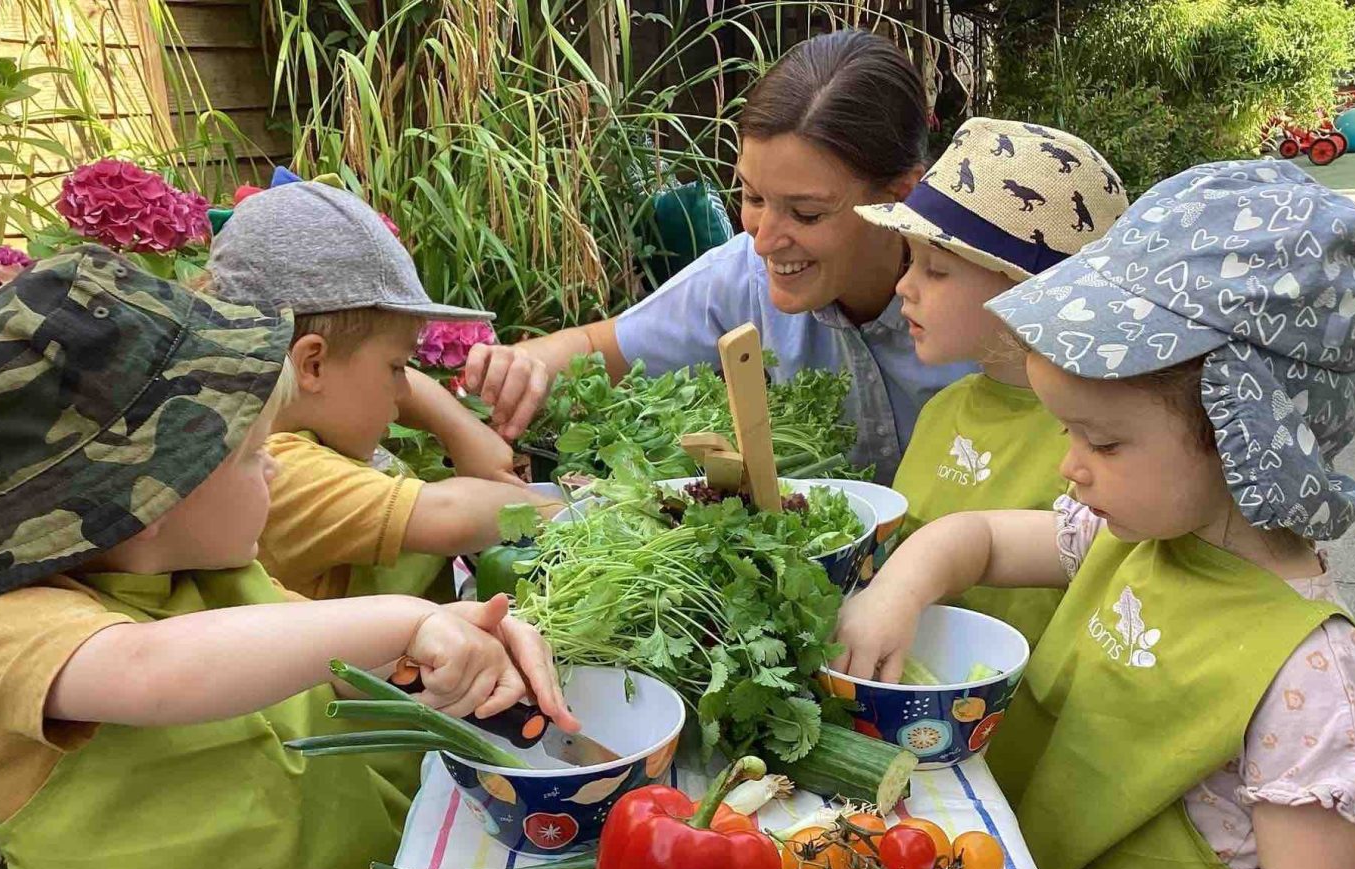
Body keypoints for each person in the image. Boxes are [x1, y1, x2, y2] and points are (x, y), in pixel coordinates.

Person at [0, 246, 575, 869]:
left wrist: (469, 645)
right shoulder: (6, 629)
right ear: (154, 492)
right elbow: (150, 670)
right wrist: (404, 617)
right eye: (253, 455)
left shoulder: (223, 576)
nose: (273, 472)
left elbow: (349, 670)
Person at [836, 161, 1355, 869]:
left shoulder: (1313, 668)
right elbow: (978, 537)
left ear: (1242, 439)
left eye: (1101, 439)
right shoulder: (1121, 530)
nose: (1069, 465)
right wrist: (897, 587)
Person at [463, 29, 973, 483]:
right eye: (752, 198)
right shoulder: (740, 278)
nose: (765, 239)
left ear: (899, 198)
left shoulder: (990, 296)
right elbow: (600, 346)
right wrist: (524, 366)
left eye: (806, 213)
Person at [835, 117, 1127, 662]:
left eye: (936, 270)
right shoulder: (942, 410)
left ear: (1029, 293)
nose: (904, 286)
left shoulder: (1099, 441)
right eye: (909, 261)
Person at [205, 182, 564, 601]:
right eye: (396, 367)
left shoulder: (311, 420)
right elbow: (449, 515)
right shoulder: (276, 473)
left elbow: (408, 389)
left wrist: (461, 432)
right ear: (313, 364)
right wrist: (569, 514)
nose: (402, 389)